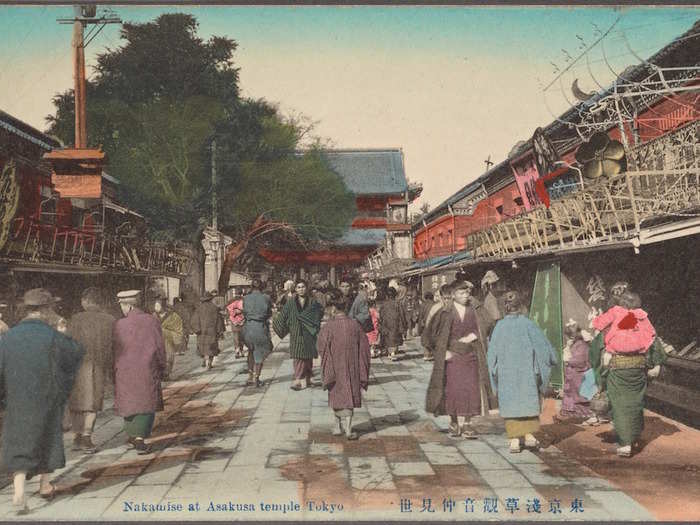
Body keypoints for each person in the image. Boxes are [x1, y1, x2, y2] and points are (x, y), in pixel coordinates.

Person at [0, 289, 84, 514]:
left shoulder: (7, 338)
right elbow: (76, 353)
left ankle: (19, 491)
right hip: (47, 399)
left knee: (19, 442)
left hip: (17, 400)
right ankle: (45, 486)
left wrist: (4, 398)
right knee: (47, 441)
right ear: (47, 310)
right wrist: (63, 331)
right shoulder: (53, 336)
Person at [590, 291, 667, 457]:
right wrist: (657, 364)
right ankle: (634, 436)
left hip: (618, 368)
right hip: (639, 369)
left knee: (621, 405)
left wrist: (597, 365)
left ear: (622, 303)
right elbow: (654, 342)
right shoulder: (643, 318)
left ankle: (625, 443)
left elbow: (597, 344)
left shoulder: (615, 315)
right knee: (636, 402)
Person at [487, 291, 558, 453]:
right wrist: (551, 359)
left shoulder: (500, 326)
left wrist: (493, 371)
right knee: (528, 402)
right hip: (527, 372)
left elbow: (492, 354)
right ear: (521, 306)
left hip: (507, 373)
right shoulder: (528, 324)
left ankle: (513, 440)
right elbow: (544, 348)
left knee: (511, 403)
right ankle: (529, 436)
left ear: (505, 308)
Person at [425, 281, 494, 439]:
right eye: (461, 294)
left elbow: (488, 323)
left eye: (467, 293)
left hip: (470, 355)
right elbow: (431, 334)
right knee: (453, 390)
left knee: (471, 389)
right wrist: (442, 352)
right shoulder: (445, 311)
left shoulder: (475, 308)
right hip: (452, 356)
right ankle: (454, 421)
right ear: (454, 295)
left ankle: (468, 423)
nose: (465, 296)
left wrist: (475, 335)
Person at [113, 289, 166, 455]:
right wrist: (162, 365)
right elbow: (159, 346)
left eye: (122, 306)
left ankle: (133, 436)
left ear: (127, 306)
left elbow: (114, 349)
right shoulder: (152, 321)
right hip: (147, 367)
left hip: (124, 370)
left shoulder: (119, 324)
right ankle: (139, 439)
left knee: (128, 402)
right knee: (146, 401)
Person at [317, 291, 371, 440]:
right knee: (350, 393)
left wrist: (327, 358)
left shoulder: (328, 326)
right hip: (352, 365)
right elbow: (365, 347)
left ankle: (336, 425)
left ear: (334, 309)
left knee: (335, 392)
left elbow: (321, 345)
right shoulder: (355, 325)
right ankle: (348, 429)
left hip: (334, 365)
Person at [67, 287, 115, 454]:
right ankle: (87, 436)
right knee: (93, 403)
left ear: (85, 301)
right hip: (99, 366)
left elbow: (68, 344)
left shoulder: (75, 319)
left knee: (77, 402)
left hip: (77, 367)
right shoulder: (109, 320)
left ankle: (77, 437)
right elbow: (114, 346)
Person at [273, 280, 323, 390]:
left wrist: (313, 322)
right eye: (299, 287)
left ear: (307, 288)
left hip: (309, 332)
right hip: (296, 331)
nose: (301, 289)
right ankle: (298, 379)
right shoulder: (290, 302)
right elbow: (283, 315)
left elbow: (319, 313)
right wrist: (279, 325)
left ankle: (309, 377)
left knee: (308, 356)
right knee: (298, 356)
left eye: (303, 287)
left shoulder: (312, 301)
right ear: (295, 289)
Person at [557, 319, 594, 422]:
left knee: (579, 394)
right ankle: (570, 411)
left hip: (580, 374)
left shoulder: (582, 345)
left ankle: (581, 414)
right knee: (571, 393)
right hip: (573, 373)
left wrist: (569, 361)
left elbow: (580, 360)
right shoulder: (574, 344)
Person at [242, 279, 273, 387]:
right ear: (262, 287)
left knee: (250, 351)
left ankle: (250, 376)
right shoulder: (266, 298)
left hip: (248, 327)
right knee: (260, 352)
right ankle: (256, 377)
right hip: (260, 327)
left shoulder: (245, 298)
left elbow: (244, 312)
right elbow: (269, 313)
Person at [191, 291, 224, 369]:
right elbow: (219, 320)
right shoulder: (215, 308)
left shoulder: (199, 308)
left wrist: (196, 329)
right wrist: (220, 331)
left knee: (202, 346)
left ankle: (203, 360)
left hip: (201, 331)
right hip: (212, 331)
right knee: (212, 347)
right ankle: (209, 362)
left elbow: (194, 320)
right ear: (210, 299)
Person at [152, 297, 184, 379]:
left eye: (158, 305)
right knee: (156, 357)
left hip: (168, 340)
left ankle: (166, 373)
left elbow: (178, 329)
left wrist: (164, 331)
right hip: (156, 341)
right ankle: (159, 373)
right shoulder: (153, 316)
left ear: (163, 306)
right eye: (155, 305)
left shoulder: (173, 316)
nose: (156, 307)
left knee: (168, 357)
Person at [379, 287, 408, 361]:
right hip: (396, 323)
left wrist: (381, 322)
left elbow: (381, 314)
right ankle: (392, 353)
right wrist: (404, 324)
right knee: (394, 338)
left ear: (387, 295)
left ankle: (390, 353)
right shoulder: (398, 304)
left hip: (386, 323)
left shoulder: (384, 304)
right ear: (395, 295)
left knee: (388, 338)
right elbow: (402, 315)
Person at [226, 290, 246, 358]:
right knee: (242, 336)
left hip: (234, 321)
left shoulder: (230, 301)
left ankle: (237, 350)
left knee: (235, 335)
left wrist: (232, 314)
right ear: (241, 293)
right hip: (243, 320)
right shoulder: (244, 300)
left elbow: (227, 311)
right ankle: (242, 350)